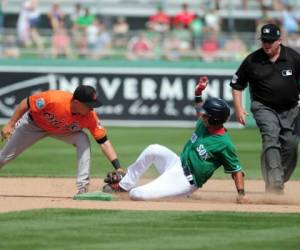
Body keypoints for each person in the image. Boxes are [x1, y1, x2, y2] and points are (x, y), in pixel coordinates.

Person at [103, 76, 248, 203]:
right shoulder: (204, 125)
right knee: (154, 149)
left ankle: (179, 195)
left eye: (206, 115)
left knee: (137, 194)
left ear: (215, 120)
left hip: (184, 181)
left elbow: (237, 171)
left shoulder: (224, 144)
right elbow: (199, 109)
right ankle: (124, 185)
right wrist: (198, 92)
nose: (202, 116)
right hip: (176, 163)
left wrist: (241, 195)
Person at [0, 85, 124, 194]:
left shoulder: (90, 116)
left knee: (82, 139)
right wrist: (11, 123)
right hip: (33, 125)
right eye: (89, 105)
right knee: (3, 158)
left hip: (61, 131)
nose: (91, 109)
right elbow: (26, 103)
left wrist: (118, 168)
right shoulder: (53, 99)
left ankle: (83, 188)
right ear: (76, 103)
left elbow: (104, 142)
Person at [230, 23, 300, 194]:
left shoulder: (293, 57)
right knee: (271, 137)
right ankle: (275, 181)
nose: (267, 45)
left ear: (279, 40)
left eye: (270, 41)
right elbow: (237, 85)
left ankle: (277, 180)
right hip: (263, 106)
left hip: (291, 108)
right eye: (264, 41)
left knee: (291, 145)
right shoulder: (252, 60)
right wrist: (239, 108)